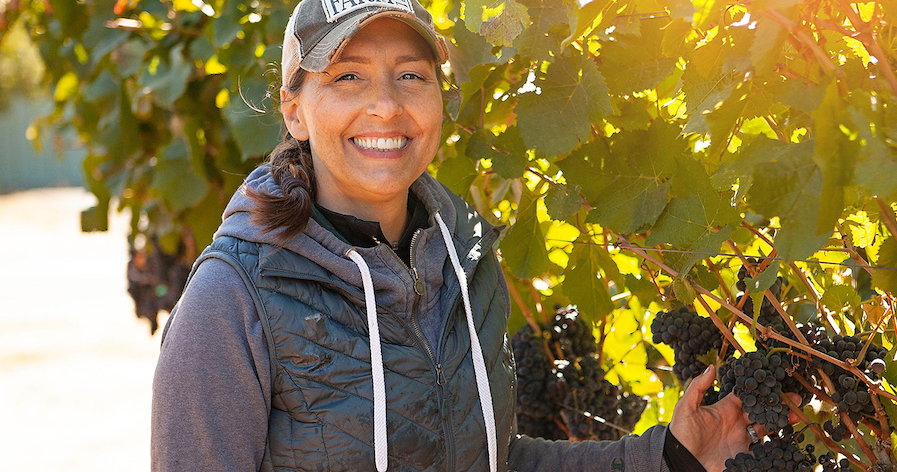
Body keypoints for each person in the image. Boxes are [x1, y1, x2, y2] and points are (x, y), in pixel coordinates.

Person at [150, 0, 787, 470]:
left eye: (410, 74)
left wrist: (669, 456)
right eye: (348, 76)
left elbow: (493, 461)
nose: (386, 105)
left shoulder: (466, 264)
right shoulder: (232, 298)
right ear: (295, 110)